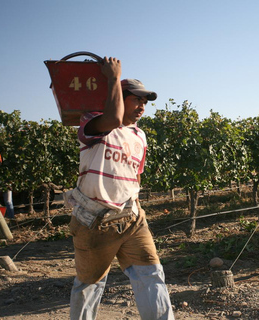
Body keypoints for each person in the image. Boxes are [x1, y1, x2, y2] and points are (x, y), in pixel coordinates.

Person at [66, 57, 174, 320]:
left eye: (145, 102)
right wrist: (113, 77)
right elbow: (113, 118)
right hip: (95, 221)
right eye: (136, 99)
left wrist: (135, 207)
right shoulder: (92, 122)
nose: (142, 107)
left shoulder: (140, 137)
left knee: (152, 274)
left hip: (132, 219)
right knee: (89, 285)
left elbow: (133, 176)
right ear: (117, 96)